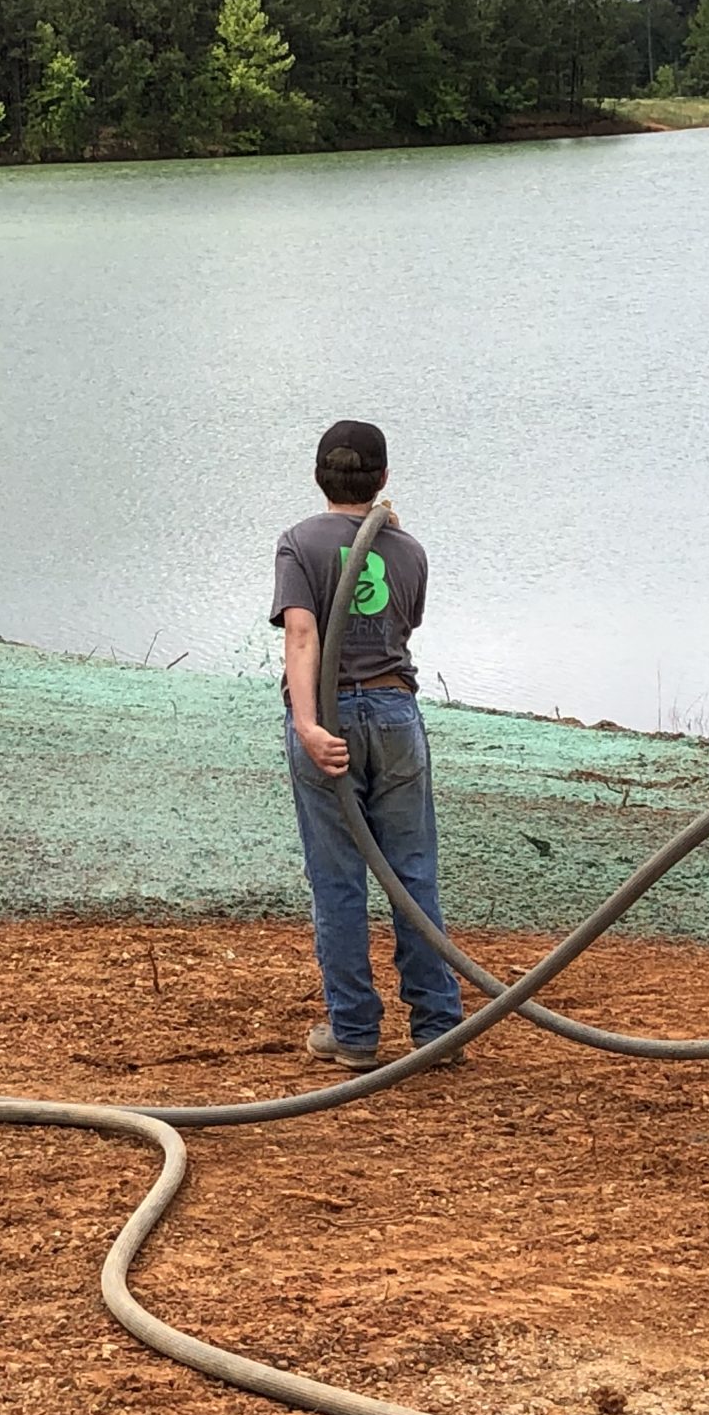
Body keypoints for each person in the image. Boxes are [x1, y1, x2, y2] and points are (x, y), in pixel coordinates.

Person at [269, 419, 467, 1071]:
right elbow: (399, 624)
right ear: (382, 478)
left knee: (338, 880)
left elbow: (304, 636)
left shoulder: (298, 543)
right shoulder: (408, 550)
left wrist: (306, 724)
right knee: (412, 875)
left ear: (318, 475)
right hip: (395, 714)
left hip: (328, 717)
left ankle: (354, 1033)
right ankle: (438, 1028)